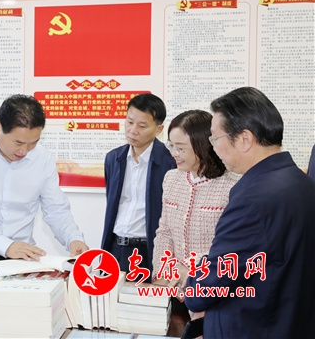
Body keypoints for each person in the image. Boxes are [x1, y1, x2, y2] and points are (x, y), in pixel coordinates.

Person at [184, 87, 315, 338]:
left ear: (244, 139)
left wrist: (192, 280)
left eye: (215, 139)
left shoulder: (252, 200)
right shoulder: (302, 183)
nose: (213, 148)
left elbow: (210, 285)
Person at [0, 94, 89, 270]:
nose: (24, 151)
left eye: (33, 143)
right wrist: (6, 245)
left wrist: (73, 238)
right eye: (18, 142)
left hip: (21, 256)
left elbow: (55, 209)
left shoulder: (42, 158)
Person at [151, 110, 241, 323]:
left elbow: (232, 245)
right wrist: (163, 272)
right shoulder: (171, 179)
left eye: (180, 148)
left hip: (213, 290)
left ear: (203, 146)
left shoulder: (232, 185)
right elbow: (164, 232)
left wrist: (190, 269)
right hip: (174, 291)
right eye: (171, 146)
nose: (174, 153)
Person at [101, 93, 176, 274]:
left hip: (149, 250)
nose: (132, 130)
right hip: (115, 248)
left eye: (142, 126)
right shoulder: (114, 158)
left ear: (159, 129)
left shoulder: (169, 162)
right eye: (129, 122)